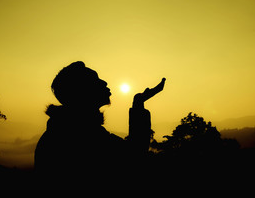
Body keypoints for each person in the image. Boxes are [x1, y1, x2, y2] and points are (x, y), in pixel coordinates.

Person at [34, 61, 165, 176]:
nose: (104, 82)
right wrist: (138, 106)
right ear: (81, 91)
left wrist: (138, 104)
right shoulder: (84, 136)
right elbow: (134, 155)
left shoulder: (70, 130)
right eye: (94, 80)